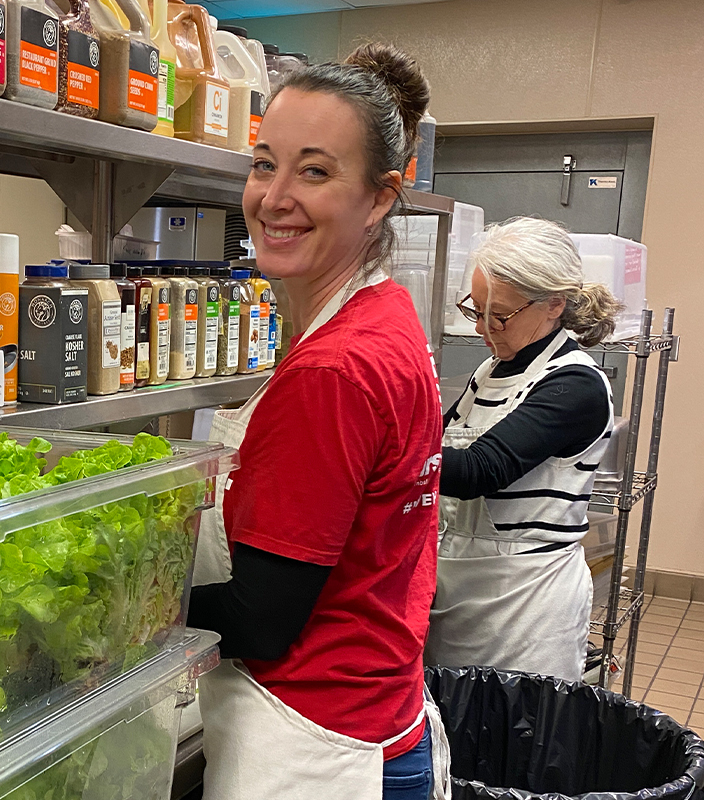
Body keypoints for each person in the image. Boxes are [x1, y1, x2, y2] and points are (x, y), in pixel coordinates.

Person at [185, 44, 447, 800]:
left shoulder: (335, 369)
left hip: (312, 740)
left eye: (316, 170)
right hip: (376, 714)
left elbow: (262, 620)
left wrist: (108, 612)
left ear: (381, 197)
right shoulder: (383, 315)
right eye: (265, 163)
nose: (274, 196)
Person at [425, 217, 620, 681]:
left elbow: (477, 470)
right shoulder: (489, 372)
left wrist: (363, 450)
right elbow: (437, 445)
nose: (482, 329)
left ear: (554, 304)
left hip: (525, 612)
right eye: (476, 311)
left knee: (513, 739)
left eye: (500, 316)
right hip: (458, 596)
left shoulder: (575, 384)